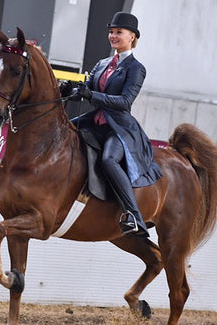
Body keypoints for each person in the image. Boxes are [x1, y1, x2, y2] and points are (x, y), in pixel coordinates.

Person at [63, 12, 162, 238]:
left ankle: (133, 214)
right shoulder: (103, 63)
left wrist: (92, 95)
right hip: (95, 121)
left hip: (118, 128)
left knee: (108, 160)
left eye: (118, 32)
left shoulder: (136, 68)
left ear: (132, 37)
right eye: (111, 31)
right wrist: (69, 89)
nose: (113, 36)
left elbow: (125, 101)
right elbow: (86, 88)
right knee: (63, 133)